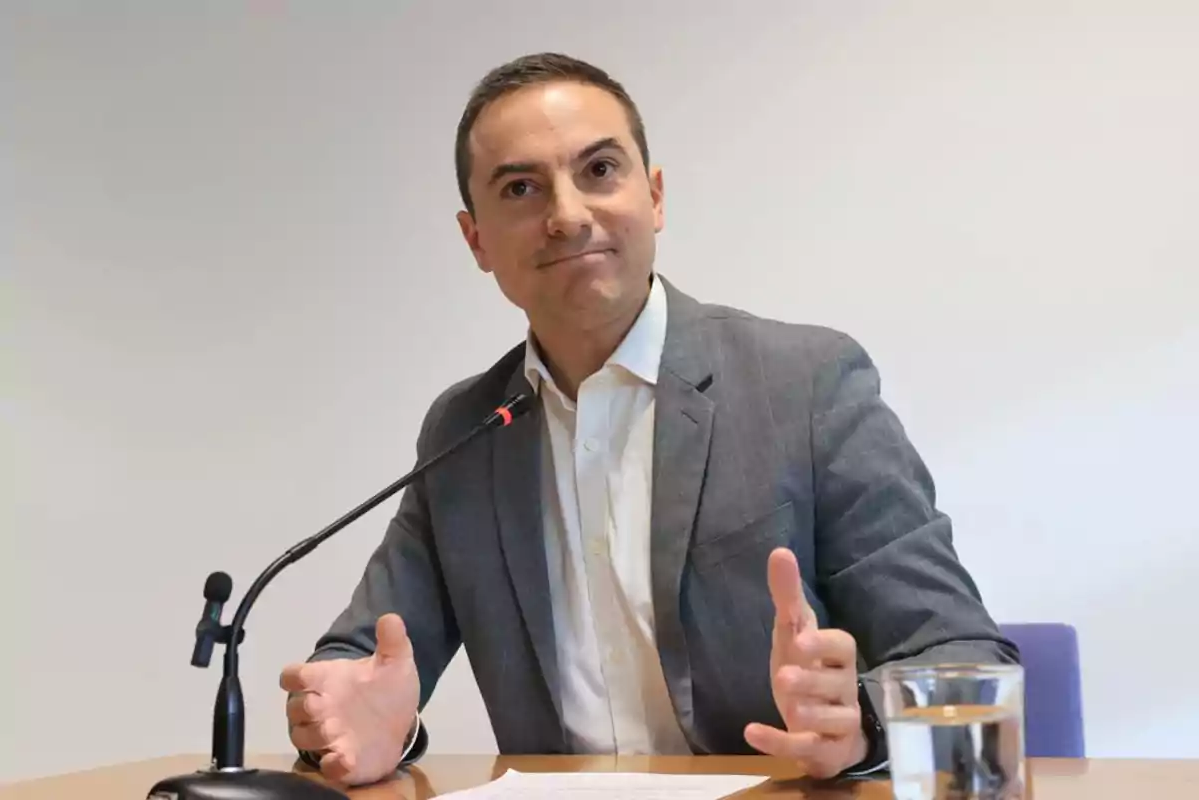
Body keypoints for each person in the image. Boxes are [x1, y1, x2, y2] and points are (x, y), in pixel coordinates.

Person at [279, 52, 1017, 787]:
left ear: (655, 197)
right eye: (522, 188)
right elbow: (362, 664)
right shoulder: (466, 430)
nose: (567, 216)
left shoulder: (805, 384)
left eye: (599, 171)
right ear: (477, 240)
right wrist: (359, 722)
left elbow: (964, 660)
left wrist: (859, 724)